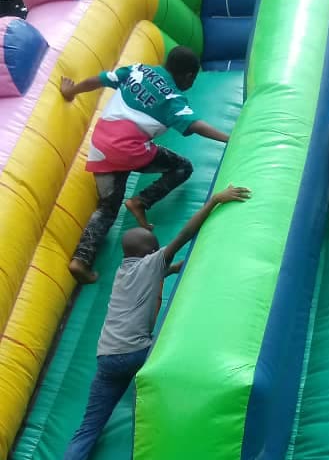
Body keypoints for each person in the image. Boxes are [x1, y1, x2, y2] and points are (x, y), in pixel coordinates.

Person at [38, 184, 251, 460]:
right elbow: (184, 234)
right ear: (153, 250)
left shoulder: (122, 274)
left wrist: (177, 268)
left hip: (107, 358)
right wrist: (214, 200)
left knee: (87, 429)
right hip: (139, 352)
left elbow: (159, 271)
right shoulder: (154, 262)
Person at [60, 46, 233, 285]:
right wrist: (229, 139)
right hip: (130, 151)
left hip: (101, 147)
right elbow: (195, 125)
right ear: (189, 76)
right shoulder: (172, 98)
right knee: (182, 167)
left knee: (108, 209)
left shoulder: (137, 70)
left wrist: (72, 90)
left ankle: (81, 259)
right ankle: (140, 201)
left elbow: (100, 79)